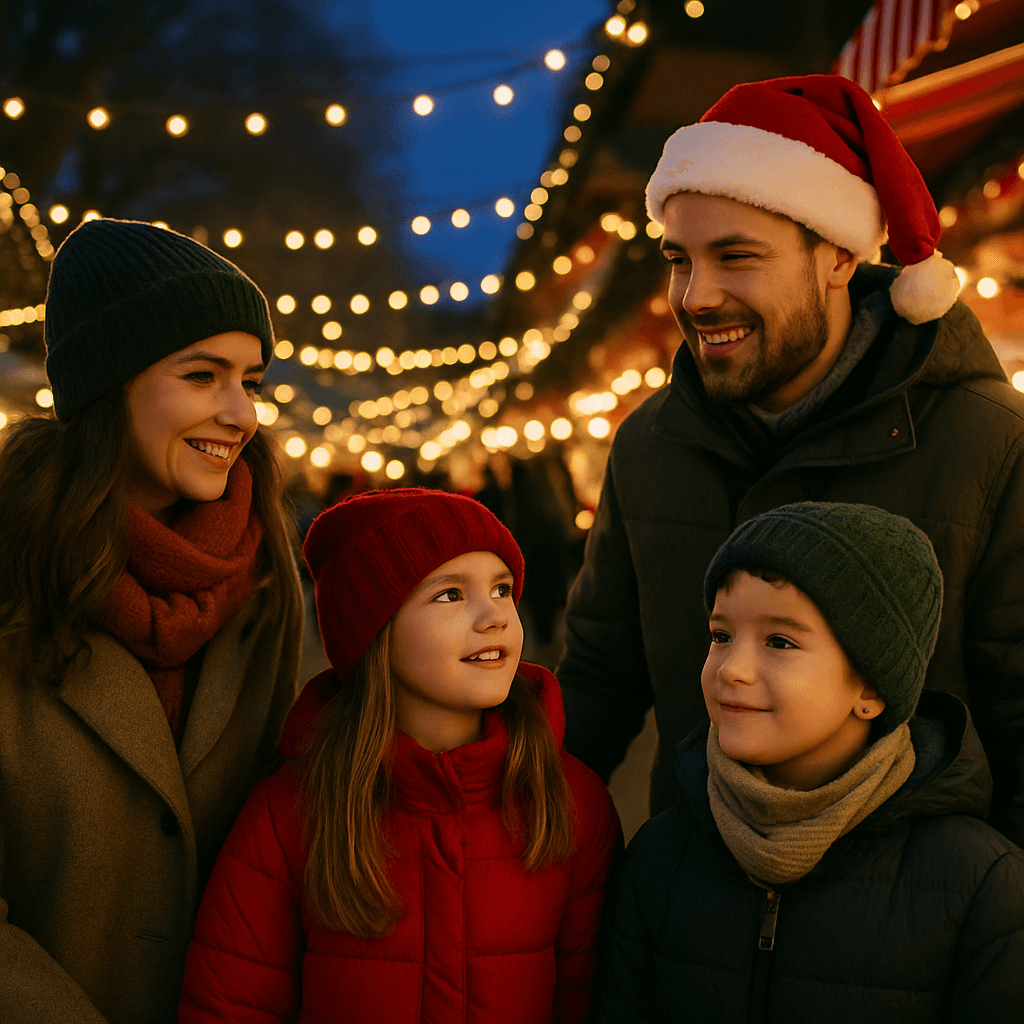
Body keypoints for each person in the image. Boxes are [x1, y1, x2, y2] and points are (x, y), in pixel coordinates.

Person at [558, 73, 1024, 844]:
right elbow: (597, 684)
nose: (695, 296)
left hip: (917, 937)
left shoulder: (990, 443)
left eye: (736, 257)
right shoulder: (647, 445)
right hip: (689, 922)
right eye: (680, 259)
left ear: (839, 256)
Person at [0, 218, 304, 1023]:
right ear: (111, 382)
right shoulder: (13, 573)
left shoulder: (264, 571)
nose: (241, 413)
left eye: (253, 380)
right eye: (203, 375)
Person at [177, 488, 622, 1024]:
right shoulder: (291, 815)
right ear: (374, 631)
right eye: (450, 595)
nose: (494, 617)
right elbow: (230, 1007)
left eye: (502, 589)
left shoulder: (572, 802)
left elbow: (588, 1000)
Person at [590, 502, 1024, 1023]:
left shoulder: (981, 884)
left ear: (870, 687)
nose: (732, 669)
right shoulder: (659, 857)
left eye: (780, 641)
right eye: (721, 635)